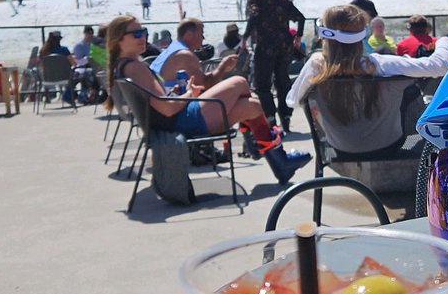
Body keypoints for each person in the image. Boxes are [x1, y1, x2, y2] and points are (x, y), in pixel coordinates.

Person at [104, 14, 309, 184]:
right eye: (137, 34)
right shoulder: (136, 67)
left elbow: (159, 102)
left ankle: (277, 161)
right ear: (119, 39)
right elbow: (167, 108)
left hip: (170, 122)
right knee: (239, 82)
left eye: (144, 33)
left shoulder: (124, 66)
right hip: (179, 122)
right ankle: (264, 147)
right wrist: (189, 94)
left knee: (252, 105)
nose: (143, 38)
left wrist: (180, 93)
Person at [287, 3, 448, 122]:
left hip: (337, 147)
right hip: (390, 144)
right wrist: (444, 40)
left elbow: (292, 101)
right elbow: (438, 66)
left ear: (323, 34)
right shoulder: (379, 64)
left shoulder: (316, 65)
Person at [243, 0, 306, 133]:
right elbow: (300, 18)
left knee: (262, 84)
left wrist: (245, 36)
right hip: (285, 46)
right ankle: (286, 117)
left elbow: (254, 16)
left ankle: (270, 119)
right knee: (282, 81)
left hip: (266, 46)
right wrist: (297, 36)